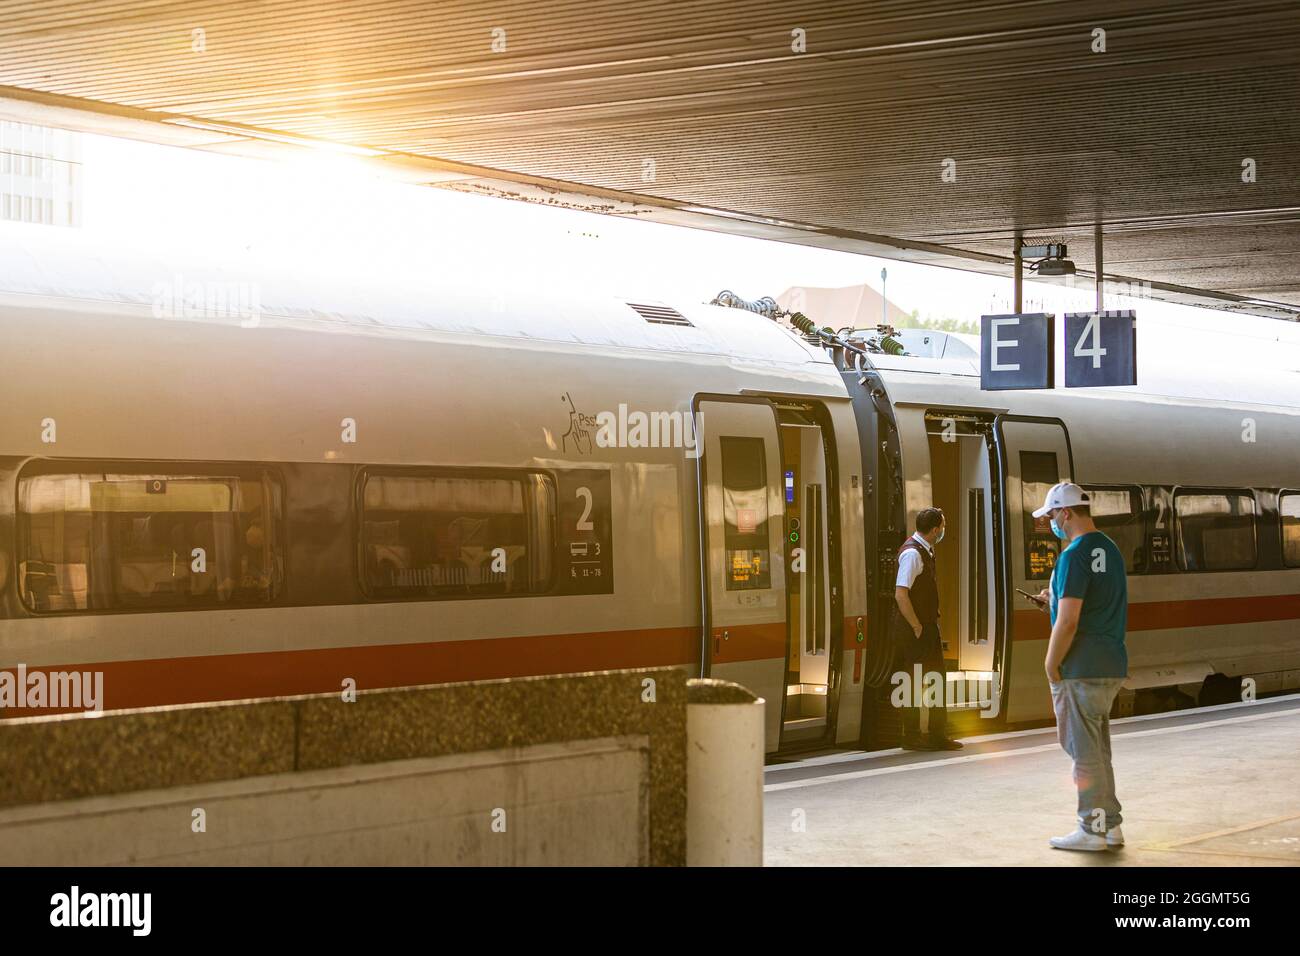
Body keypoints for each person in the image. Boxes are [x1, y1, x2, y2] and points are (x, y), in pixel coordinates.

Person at [1030, 482, 1129, 851]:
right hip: (1111, 663)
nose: (1051, 522)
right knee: (1098, 750)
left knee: (1083, 752)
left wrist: (1050, 663)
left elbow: (1069, 621)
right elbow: (1090, 605)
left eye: (1053, 515)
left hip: (1081, 666)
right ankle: (1110, 825)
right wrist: (1052, 601)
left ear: (1066, 513)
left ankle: (1091, 828)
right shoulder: (1110, 549)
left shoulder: (1073, 554)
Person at [894, 507, 963, 751]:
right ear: (935, 530)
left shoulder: (924, 549)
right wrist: (917, 626)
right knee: (918, 682)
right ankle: (915, 736)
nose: (944, 531)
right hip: (917, 629)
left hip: (925, 626)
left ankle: (933, 734)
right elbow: (901, 594)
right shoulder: (913, 554)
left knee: (934, 680)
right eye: (943, 527)